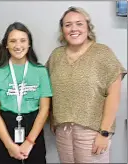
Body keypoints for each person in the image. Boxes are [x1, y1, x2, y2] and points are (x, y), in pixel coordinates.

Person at [46, 6, 127, 163]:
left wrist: (104, 132)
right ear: (62, 30)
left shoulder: (103, 53)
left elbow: (114, 94)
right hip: (63, 132)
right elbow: (46, 89)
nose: (73, 28)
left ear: (88, 27)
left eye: (79, 23)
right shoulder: (56, 56)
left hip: (92, 133)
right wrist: (52, 118)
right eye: (68, 25)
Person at [0, 22, 52, 164]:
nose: (18, 45)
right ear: (6, 45)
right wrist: (9, 145)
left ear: (29, 44)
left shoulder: (40, 71)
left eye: (23, 40)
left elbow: (44, 109)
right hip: (5, 128)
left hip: (33, 127)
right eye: (12, 41)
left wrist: (30, 142)